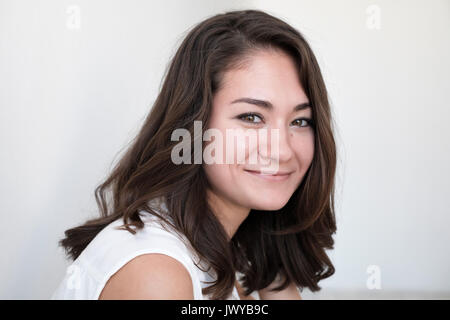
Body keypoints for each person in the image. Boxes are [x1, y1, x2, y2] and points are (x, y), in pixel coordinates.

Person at [51, 9, 337, 300]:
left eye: (300, 121)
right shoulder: (155, 271)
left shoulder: (224, 251)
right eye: (251, 117)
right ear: (193, 127)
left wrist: (274, 258)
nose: (282, 150)